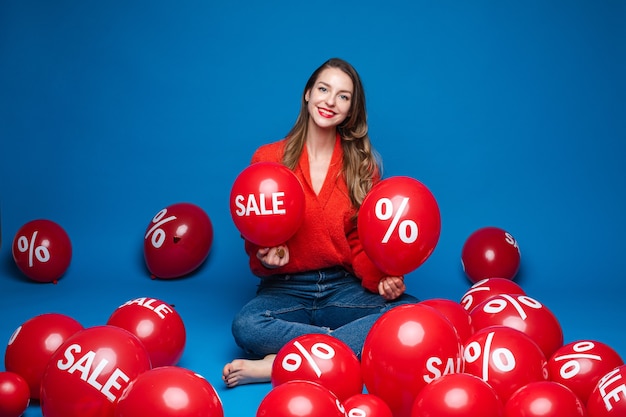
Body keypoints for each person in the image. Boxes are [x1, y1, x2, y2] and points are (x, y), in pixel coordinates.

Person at [222, 58, 418, 388]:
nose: (330, 101)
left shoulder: (362, 168)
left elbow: (359, 243)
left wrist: (382, 279)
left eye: (343, 96)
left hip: (341, 287)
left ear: (352, 109)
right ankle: (332, 350)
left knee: (407, 314)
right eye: (324, 89)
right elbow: (255, 236)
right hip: (285, 289)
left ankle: (284, 362)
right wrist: (266, 258)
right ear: (307, 94)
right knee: (246, 325)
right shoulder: (267, 160)